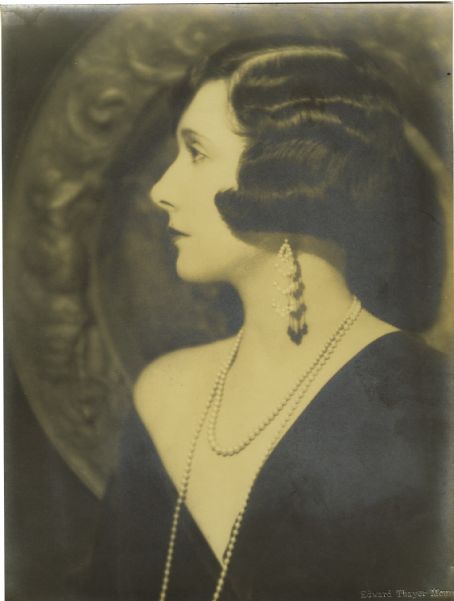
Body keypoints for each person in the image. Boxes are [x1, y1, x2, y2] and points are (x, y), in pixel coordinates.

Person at [89, 36, 451, 601]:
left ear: (285, 172)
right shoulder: (163, 390)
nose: (161, 190)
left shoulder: (430, 403)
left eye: (197, 152)